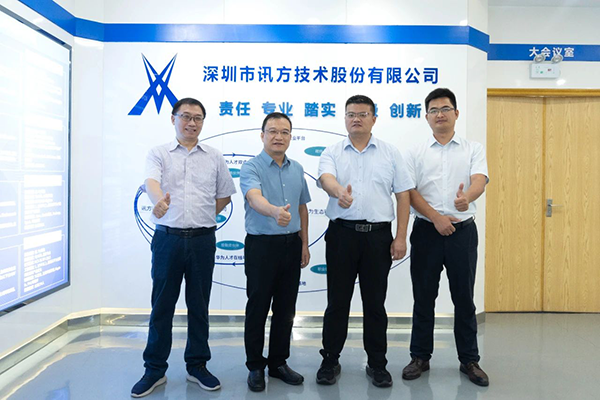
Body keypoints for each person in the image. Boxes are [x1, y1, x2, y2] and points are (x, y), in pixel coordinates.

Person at [131, 98, 236, 398]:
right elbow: (151, 181)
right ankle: (154, 369)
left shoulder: (214, 156)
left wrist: (200, 216)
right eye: (186, 116)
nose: (192, 123)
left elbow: (224, 195)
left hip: (203, 240)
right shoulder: (159, 153)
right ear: (173, 118)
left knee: (199, 306)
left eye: (198, 118)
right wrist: (158, 202)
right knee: (162, 306)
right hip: (168, 239)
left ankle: (197, 365)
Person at [316, 95, 413, 388]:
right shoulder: (332, 151)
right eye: (351, 114)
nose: (356, 119)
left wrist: (400, 237)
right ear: (345, 118)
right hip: (342, 235)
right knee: (337, 301)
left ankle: (377, 363)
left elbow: (403, 196)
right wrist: (338, 192)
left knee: (375, 303)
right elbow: (326, 178)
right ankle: (330, 360)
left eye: (362, 114)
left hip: (378, 237)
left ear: (374, 119)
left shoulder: (390, 153)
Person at [402, 88, 489, 387]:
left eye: (445, 108)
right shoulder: (415, 152)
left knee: (464, 298)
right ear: (426, 116)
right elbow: (410, 191)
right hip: (426, 232)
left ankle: (470, 360)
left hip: (462, 234)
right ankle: (419, 357)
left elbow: (479, 180)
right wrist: (436, 218)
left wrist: (467, 198)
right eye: (434, 110)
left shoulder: (472, 148)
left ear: (456, 113)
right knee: (423, 297)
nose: (440, 114)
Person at [240, 112, 311, 392]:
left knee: (286, 309)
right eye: (272, 131)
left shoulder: (297, 168)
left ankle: (278, 363)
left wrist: (304, 243)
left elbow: (302, 207)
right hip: (262, 246)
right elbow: (254, 198)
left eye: (284, 132)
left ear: (291, 136)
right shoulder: (251, 167)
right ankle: (255, 366)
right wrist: (274, 212)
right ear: (262, 135)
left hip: (291, 245)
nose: (278, 137)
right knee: (258, 308)